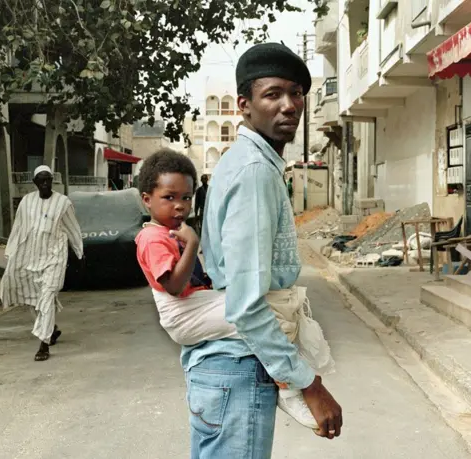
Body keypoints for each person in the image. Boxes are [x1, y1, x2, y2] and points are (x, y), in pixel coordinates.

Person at [190, 43, 342, 458]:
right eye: (272, 94)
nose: (289, 105)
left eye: (296, 93)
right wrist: (308, 384)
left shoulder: (247, 163)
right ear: (244, 104)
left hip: (223, 370)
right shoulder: (255, 171)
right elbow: (247, 304)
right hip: (238, 365)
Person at [135, 149, 333, 434]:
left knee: (268, 307)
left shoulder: (167, 231)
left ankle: (288, 377)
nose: (180, 206)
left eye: (186, 198)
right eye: (169, 197)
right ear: (146, 199)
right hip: (181, 313)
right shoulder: (152, 238)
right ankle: (289, 389)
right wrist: (192, 243)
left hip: (194, 305)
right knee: (262, 314)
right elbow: (174, 286)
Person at [0, 165, 84, 362]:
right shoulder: (27, 202)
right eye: (41, 181)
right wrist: (10, 252)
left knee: (46, 296)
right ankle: (51, 329)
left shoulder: (63, 203)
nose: (45, 184)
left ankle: (43, 344)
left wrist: (79, 252)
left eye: (48, 180)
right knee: (34, 298)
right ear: (35, 183)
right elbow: (18, 227)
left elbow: (73, 228)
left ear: (52, 181)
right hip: (31, 257)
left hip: (55, 258)